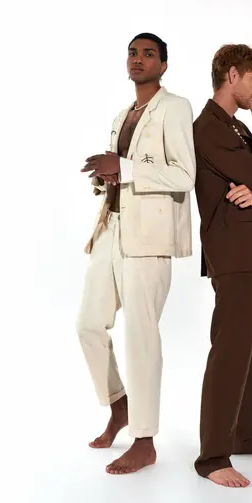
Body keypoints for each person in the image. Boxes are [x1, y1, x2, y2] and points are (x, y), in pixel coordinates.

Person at [77, 33, 195, 475]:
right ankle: (119, 405)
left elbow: (184, 175)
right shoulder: (121, 115)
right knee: (88, 324)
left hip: (149, 239)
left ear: (163, 66)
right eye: (132, 52)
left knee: (140, 335)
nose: (138, 59)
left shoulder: (176, 107)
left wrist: (123, 168)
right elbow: (126, 173)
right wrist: (105, 177)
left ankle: (144, 441)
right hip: (110, 227)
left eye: (148, 54)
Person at [193, 44, 252, 488]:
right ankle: (212, 457)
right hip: (233, 253)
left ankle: (243, 435)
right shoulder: (209, 127)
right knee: (230, 351)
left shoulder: (236, 129)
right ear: (232, 75)